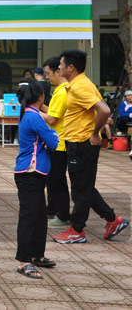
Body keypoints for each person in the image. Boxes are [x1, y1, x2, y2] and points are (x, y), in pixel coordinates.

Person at [53, 50, 128, 244]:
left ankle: (77, 230)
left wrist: (95, 133)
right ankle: (113, 220)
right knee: (85, 187)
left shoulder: (80, 87)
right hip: (78, 142)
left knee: (80, 190)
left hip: (82, 143)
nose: (58, 67)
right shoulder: (80, 84)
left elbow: (104, 110)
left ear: (71, 67)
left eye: (61, 64)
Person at [13, 79, 60, 279]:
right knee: (29, 217)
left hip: (34, 172)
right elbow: (53, 141)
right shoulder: (34, 117)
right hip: (29, 172)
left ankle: (36, 255)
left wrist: (51, 135)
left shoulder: (29, 114)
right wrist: (53, 135)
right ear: (40, 97)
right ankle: (24, 261)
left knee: (40, 216)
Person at [40, 57, 69, 228]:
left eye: (48, 73)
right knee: (52, 180)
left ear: (58, 71)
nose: (47, 77)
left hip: (60, 144)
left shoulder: (62, 92)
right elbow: (51, 112)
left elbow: (52, 119)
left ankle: (63, 215)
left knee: (58, 181)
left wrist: (32, 110)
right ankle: (52, 210)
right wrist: (40, 106)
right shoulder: (58, 91)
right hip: (55, 142)